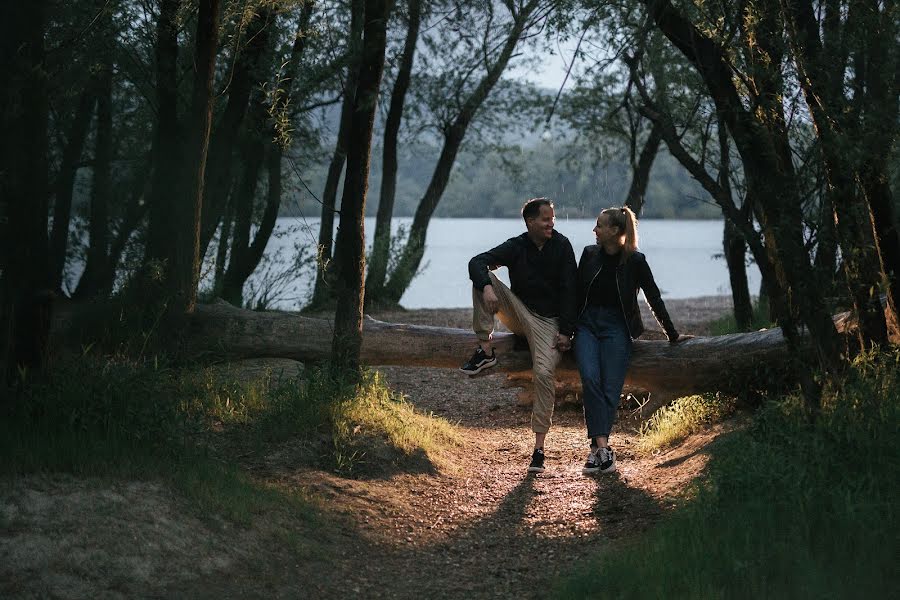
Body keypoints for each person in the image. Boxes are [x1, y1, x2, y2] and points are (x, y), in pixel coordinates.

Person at [461, 197, 577, 473]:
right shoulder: (517, 246)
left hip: (549, 322)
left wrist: (567, 332)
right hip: (520, 313)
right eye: (546, 219)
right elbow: (477, 262)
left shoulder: (561, 246)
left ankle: (539, 449)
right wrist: (487, 287)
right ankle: (485, 351)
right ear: (530, 222)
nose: (552, 223)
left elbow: (571, 291)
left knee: (544, 373)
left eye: (553, 218)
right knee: (482, 279)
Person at [575, 206, 684, 475]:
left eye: (599, 225)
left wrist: (671, 333)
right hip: (587, 324)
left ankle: (596, 451)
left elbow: (653, 297)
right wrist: (566, 330)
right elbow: (575, 294)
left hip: (617, 326)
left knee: (610, 387)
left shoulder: (636, 261)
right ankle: (603, 449)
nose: (594, 230)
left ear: (614, 231)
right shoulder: (589, 254)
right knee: (590, 378)